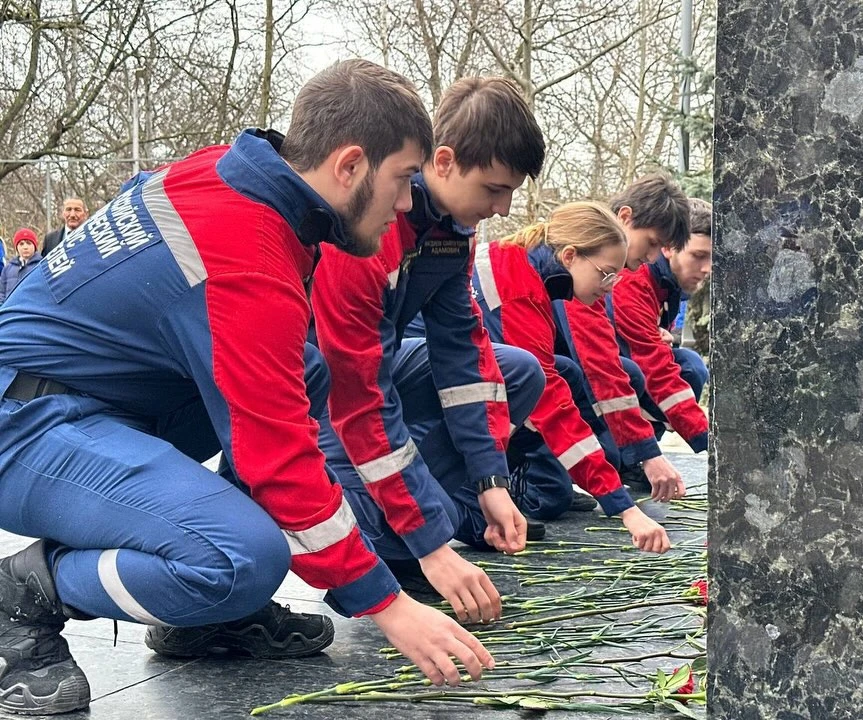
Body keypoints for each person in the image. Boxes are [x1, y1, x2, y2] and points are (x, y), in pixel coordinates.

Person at [0, 59, 494, 717]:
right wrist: (388, 604)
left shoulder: (235, 179)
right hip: (24, 422)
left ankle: (204, 617)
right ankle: (24, 594)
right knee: (239, 558)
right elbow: (281, 462)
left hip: (89, 399)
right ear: (349, 166)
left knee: (304, 369)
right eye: (403, 179)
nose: (407, 203)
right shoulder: (246, 260)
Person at [312, 76, 547, 621]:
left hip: (377, 363)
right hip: (322, 382)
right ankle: (390, 533)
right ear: (443, 161)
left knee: (516, 370)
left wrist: (490, 480)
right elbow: (358, 392)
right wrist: (431, 543)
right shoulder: (371, 227)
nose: (505, 207)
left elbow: (463, 354)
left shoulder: (451, 231)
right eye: (493, 189)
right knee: (421, 519)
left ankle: (421, 513)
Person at [471, 201, 671, 552]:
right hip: (432, 393)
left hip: (466, 377)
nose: (610, 286)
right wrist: (623, 507)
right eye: (606, 273)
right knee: (532, 375)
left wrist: (628, 464)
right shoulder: (519, 286)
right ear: (569, 256)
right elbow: (551, 404)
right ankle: (471, 502)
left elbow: (590, 370)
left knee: (561, 370)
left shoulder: (536, 270)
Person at [553, 173, 690, 499]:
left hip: (560, 373)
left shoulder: (605, 271)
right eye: (653, 243)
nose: (653, 258)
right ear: (626, 217)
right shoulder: (590, 262)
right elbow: (598, 367)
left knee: (629, 375)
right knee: (561, 489)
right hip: (541, 376)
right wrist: (645, 458)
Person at [606, 196, 712, 453]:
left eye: (712, 258)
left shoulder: (668, 284)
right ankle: (628, 455)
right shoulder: (633, 281)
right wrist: (709, 443)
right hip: (601, 375)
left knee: (688, 365)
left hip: (624, 369)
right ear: (669, 248)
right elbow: (655, 368)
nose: (707, 268)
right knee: (671, 370)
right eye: (698, 256)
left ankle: (636, 454)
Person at [0, 228, 43, 304]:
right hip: (10, 311)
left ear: (35, 246)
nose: (25, 247)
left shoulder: (42, 266)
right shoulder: (8, 268)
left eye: (28, 243)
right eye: (21, 244)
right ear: (16, 247)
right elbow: (2, 292)